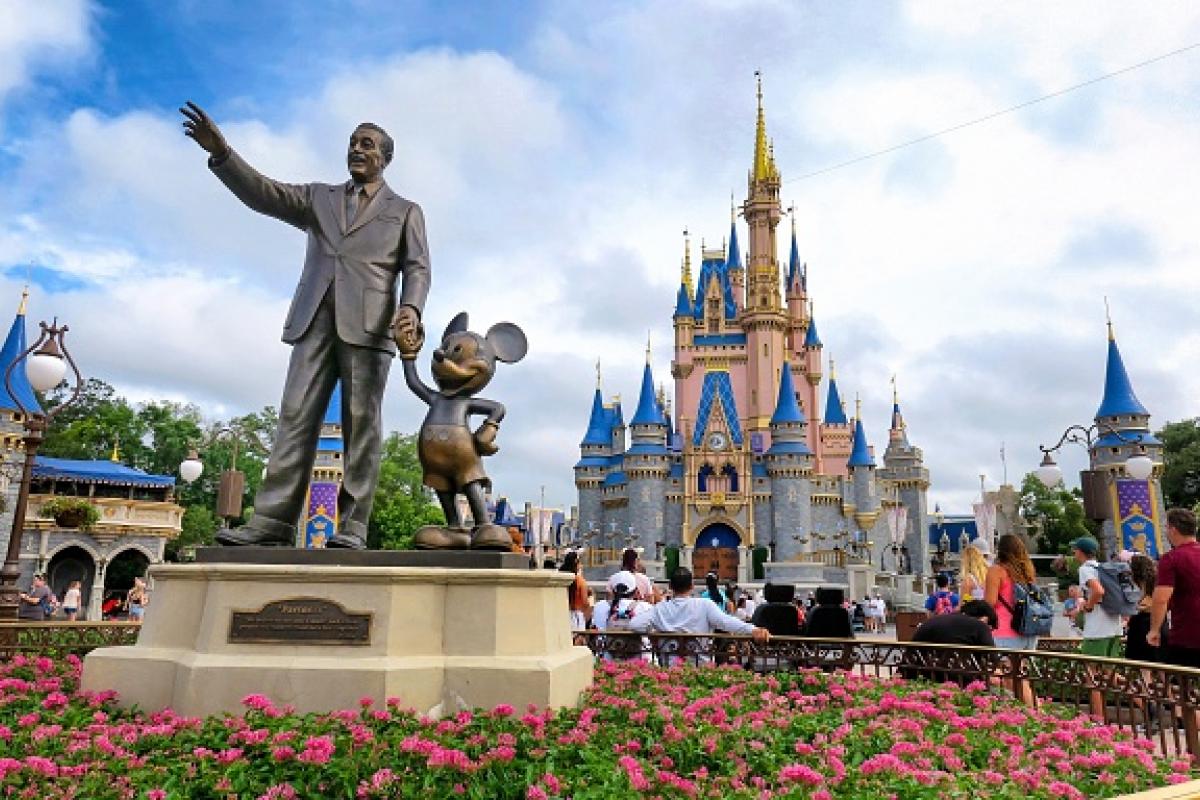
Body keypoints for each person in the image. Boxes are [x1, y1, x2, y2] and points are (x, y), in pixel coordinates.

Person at [180, 103, 430, 550]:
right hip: (313, 320)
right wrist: (223, 155)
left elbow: (418, 268)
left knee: (361, 426)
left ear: (385, 158)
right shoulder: (319, 198)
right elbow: (265, 194)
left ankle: (353, 525)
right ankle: (272, 522)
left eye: (367, 144)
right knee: (294, 417)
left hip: (371, 327)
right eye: (352, 142)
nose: (357, 149)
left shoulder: (405, 210)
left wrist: (410, 307)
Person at [628, 568, 768, 664]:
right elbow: (726, 622)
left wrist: (654, 634)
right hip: (700, 667)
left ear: (670, 586)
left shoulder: (660, 608)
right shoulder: (704, 605)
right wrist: (753, 630)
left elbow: (634, 624)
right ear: (692, 586)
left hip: (670, 670)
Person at [1149, 508, 1200, 666]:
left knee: (1184, 679)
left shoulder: (1171, 558)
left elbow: (1161, 599)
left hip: (1188, 635)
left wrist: (1154, 630)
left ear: (1173, 529)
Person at [985, 533, 1040, 650]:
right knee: (1024, 662)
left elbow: (989, 603)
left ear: (1000, 551)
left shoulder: (996, 571)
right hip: (1029, 631)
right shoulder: (1028, 571)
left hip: (1005, 631)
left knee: (1004, 663)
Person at [1073, 536, 1123, 658]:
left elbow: (1099, 591)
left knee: (1091, 664)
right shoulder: (1103, 567)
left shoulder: (1085, 569)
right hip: (1115, 625)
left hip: (1097, 627)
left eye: (1075, 549)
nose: (1074, 552)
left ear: (1080, 552)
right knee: (1110, 666)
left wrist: (1088, 606)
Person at [1125, 554, 1159, 663]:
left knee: (1141, 661)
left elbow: (1144, 605)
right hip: (1156, 622)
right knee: (1156, 660)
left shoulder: (1140, 586)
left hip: (1141, 624)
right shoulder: (1155, 584)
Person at [560, 552, 590, 630]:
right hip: (576, 615)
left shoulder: (561, 579)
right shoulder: (580, 581)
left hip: (562, 614)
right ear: (577, 563)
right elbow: (585, 602)